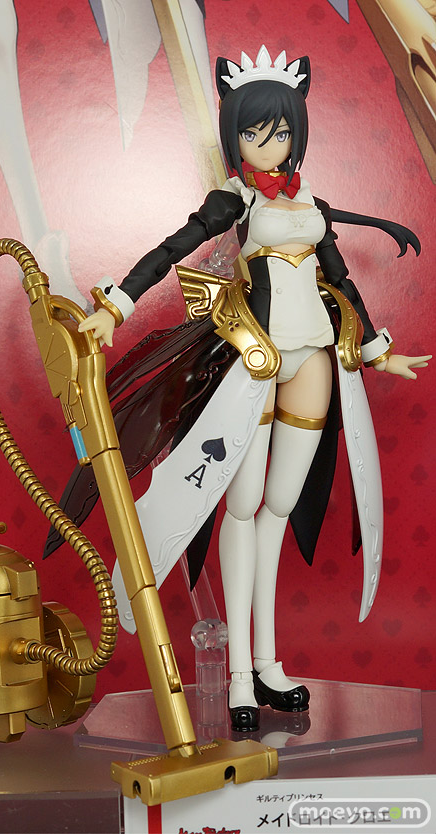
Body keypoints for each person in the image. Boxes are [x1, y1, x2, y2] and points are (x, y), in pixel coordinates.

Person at [60, 46, 431, 731]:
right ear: (234, 136)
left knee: (278, 510)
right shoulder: (236, 200)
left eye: (280, 131)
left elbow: (340, 280)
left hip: (314, 357)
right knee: (241, 506)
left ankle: (267, 662)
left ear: (297, 133)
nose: (268, 144)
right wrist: (117, 303)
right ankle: (237, 676)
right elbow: (173, 248)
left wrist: (379, 350)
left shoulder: (311, 203)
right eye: (254, 132)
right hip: (255, 358)